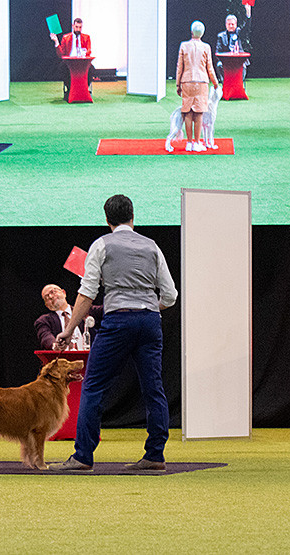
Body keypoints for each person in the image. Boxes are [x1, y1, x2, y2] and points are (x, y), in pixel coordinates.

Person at [51, 194, 177, 472]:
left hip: (118, 320)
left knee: (94, 387)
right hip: (149, 321)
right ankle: (155, 454)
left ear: (107, 220)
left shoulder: (101, 245)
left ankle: (83, 456)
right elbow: (170, 295)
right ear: (133, 217)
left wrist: (68, 330)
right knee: (153, 389)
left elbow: (87, 293)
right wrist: (148, 307)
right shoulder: (152, 246)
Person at [175, 21, 219, 153]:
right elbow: (210, 67)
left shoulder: (183, 45)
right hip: (201, 82)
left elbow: (179, 66)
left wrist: (178, 84)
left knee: (188, 112)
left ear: (191, 32)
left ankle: (189, 143)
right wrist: (215, 83)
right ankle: (197, 142)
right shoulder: (206, 47)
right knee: (199, 113)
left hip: (186, 81)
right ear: (202, 33)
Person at [34, 284, 103, 350]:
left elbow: (104, 310)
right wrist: (55, 345)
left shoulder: (85, 311)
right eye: (46, 297)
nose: (51, 296)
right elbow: (46, 337)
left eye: (53, 292)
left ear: (64, 293)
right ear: (46, 305)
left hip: (89, 355)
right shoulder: (43, 321)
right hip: (61, 357)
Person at [50, 17, 93, 100]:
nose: (78, 29)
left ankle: (83, 89)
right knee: (62, 68)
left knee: (91, 69)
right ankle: (70, 89)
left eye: (80, 27)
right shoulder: (66, 38)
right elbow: (61, 54)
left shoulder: (86, 37)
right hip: (69, 62)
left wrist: (84, 53)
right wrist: (56, 42)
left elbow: (89, 50)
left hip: (82, 62)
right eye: (76, 27)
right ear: (73, 26)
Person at [214, 9, 251, 82]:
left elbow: (246, 28)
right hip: (226, 61)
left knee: (243, 66)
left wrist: (248, 15)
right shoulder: (221, 36)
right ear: (226, 25)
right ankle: (225, 83)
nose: (231, 26)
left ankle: (239, 83)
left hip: (239, 60)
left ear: (236, 24)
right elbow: (217, 52)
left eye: (232, 24)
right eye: (229, 24)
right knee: (219, 64)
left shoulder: (239, 32)